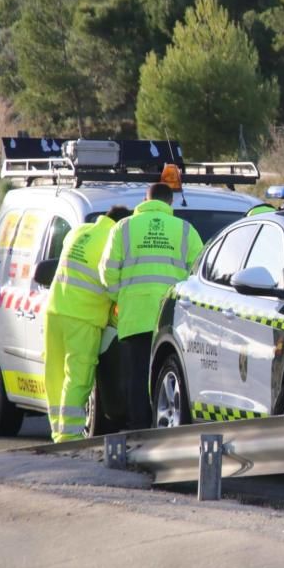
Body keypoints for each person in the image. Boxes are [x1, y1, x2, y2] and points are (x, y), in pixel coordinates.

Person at [100, 183, 203, 430]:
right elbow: (197, 272)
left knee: (137, 376)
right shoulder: (185, 230)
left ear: (144, 200)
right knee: (168, 372)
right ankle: (166, 426)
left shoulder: (123, 228)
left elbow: (107, 273)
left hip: (135, 315)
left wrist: (121, 297)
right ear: (170, 203)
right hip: (173, 318)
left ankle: (139, 429)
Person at [44, 205, 132, 442]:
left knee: (54, 374)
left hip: (55, 310)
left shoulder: (79, 232)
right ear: (122, 225)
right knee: (78, 376)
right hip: (83, 316)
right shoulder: (114, 240)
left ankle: (57, 431)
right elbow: (114, 282)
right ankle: (69, 437)